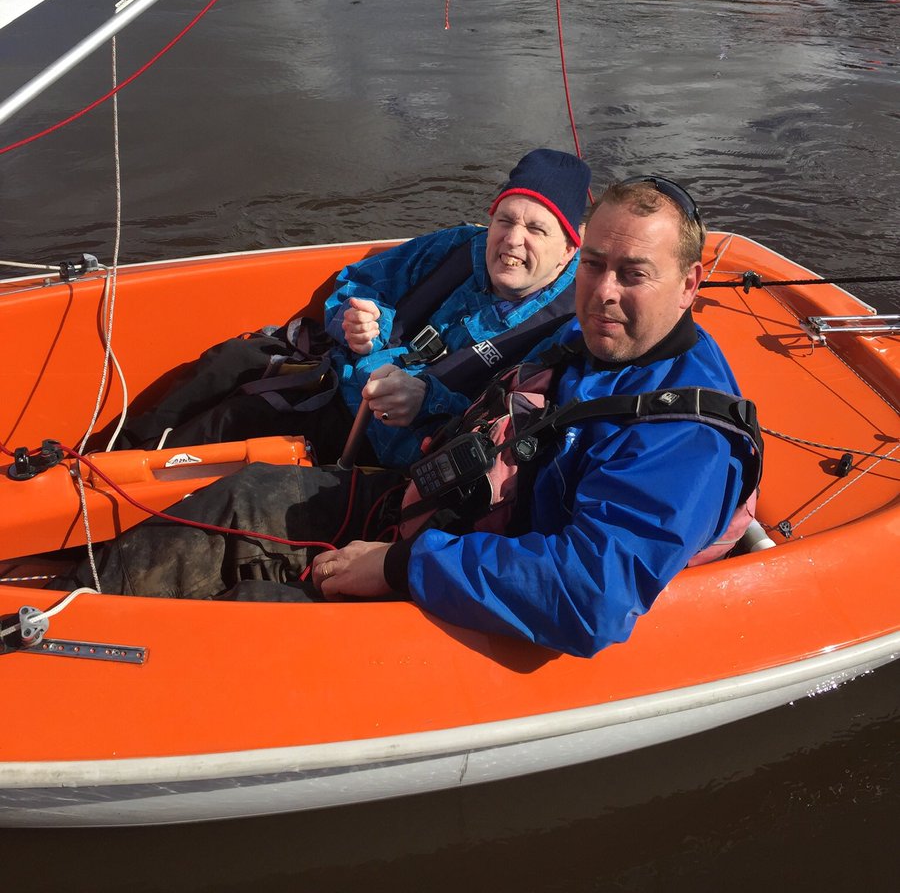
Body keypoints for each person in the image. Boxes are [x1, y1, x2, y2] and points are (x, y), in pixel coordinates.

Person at [68, 177, 759, 660]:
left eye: (633, 274)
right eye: (596, 266)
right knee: (243, 496)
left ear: (689, 284)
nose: (604, 292)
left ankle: (100, 685)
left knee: (260, 610)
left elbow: (589, 594)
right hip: (436, 512)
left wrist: (399, 567)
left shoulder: (682, 437)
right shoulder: (589, 343)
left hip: (468, 581)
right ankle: (67, 614)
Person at [118, 149, 591, 471]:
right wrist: (364, 320)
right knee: (228, 362)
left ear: (570, 247)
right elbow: (359, 282)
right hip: (336, 376)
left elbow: (520, 426)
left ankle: (110, 496)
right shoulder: (455, 248)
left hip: (389, 452)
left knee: (239, 422)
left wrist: (429, 401)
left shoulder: (569, 328)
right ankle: (111, 457)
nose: (512, 239)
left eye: (537, 229)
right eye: (505, 220)